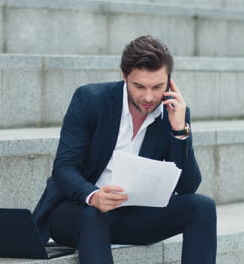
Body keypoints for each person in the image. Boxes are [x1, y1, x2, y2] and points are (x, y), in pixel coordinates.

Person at [32, 35, 217, 264]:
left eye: (157, 86)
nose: (149, 97)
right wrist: (93, 196)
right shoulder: (90, 100)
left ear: (169, 81)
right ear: (124, 76)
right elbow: (64, 168)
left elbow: (188, 186)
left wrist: (179, 131)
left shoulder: (174, 113)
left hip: (133, 216)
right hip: (78, 212)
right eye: (139, 86)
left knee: (202, 207)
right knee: (94, 214)